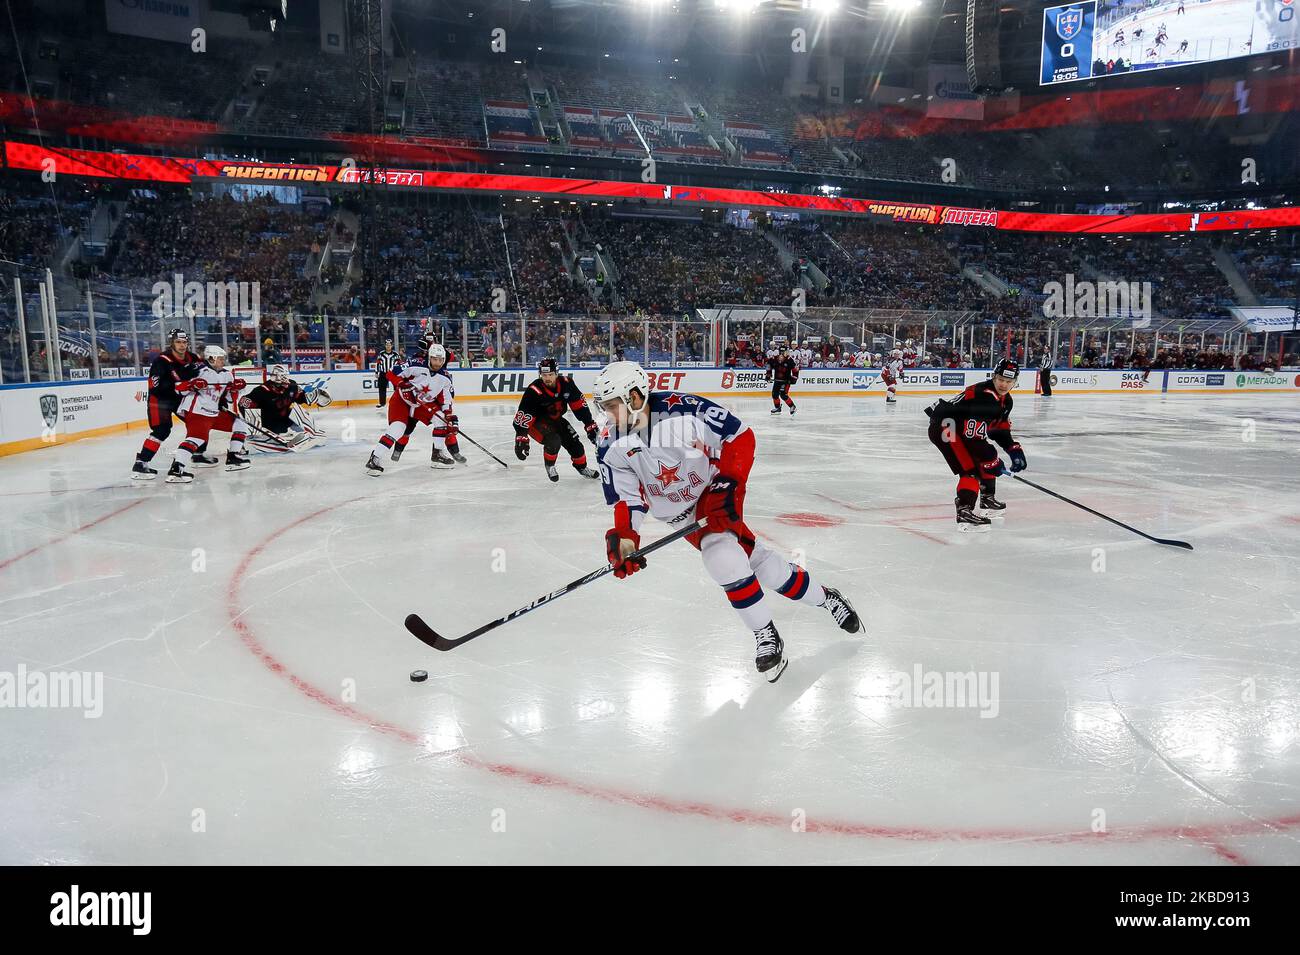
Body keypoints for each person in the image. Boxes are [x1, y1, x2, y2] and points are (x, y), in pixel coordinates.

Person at [593, 361, 861, 682]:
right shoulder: (610, 443)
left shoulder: (683, 410)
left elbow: (740, 436)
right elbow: (627, 499)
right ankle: (827, 598)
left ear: (635, 397)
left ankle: (766, 634)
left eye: (612, 407)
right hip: (682, 516)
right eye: (604, 408)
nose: (607, 415)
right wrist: (625, 538)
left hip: (716, 492)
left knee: (722, 556)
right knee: (762, 565)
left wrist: (729, 484)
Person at [924, 358, 1027, 527]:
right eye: (1000, 380)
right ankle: (964, 510)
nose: (1003, 384)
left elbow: (998, 429)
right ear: (994, 377)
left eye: (1008, 381)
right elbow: (973, 439)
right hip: (945, 427)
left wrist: (1013, 449)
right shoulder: (984, 397)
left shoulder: (1006, 401)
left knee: (985, 460)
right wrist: (993, 459)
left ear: (1015, 382)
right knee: (971, 469)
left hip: (960, 429)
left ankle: (987, 499)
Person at [365, 341, 463, 475]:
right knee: (398, 428)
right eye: (435, 359)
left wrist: (449, 417)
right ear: (429, 357)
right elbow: (390, 373)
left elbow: (446, 400)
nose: (437, 363)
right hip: (401, 401)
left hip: (420, 405)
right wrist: (400, 383)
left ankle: (437, 454)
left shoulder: (445, 378)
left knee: (441, 421)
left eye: (440, 360)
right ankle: (375, 459)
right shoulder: (415, 364)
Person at [131, 329, 214, 480]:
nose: (182, 345)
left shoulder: (193, 357)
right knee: (162, 430)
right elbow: (154, 387)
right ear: (171, 343)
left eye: (184, 342)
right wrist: (179, 386)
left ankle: (198, 454)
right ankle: (141, 463)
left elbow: (208, 374)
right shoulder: (161, 361)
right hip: (160, 400)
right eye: (178, 342)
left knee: (199, 420)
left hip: (181, 398)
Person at [165, 345, 251, 483]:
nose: (223, 361)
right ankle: (176, 470)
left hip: (213, 413)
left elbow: (229, 398)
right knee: (197, 438)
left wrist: (236, 389)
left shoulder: (227, 374)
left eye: (224, 358)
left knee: (240, 424)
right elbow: (178, 388)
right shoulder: (197, 370)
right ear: (211, 358)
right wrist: (192, 385)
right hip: (197, 412)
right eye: (220, 358)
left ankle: (233, 457)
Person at [512, 358, 599, 483]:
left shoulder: (567, 383)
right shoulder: (534, 390)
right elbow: (524, 415)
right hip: (537, 424)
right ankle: (550, 466)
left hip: (557, 420)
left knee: (576, 445)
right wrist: (521, 436)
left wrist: (589, 424)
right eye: (544, 375)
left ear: (556, 373)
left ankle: (582, 467)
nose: (547, 378)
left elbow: (579, 405)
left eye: (550, 374)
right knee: (554, 441)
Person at [238, 365, 321, 451]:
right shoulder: (261, 391)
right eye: (283, 376)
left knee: (296, 409)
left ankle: (312, 432)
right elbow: (243, 404)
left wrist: (313, 397)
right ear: (277, 378)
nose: (286, 379)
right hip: (269, 423)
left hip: (285, 420)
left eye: (286, 376)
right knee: (260, 433)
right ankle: (252, 441)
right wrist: (252, 421)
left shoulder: (292, 386)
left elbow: (301, 398)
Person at [765, 344, 798, 416]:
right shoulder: (774, 359)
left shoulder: (789, 360)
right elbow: (768, 365)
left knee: (783, 394)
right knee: (775, 395)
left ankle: (792, 406)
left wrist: (794, 378)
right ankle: (778, 408)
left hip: (786, 381)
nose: (784, 353)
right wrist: (768, 374)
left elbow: (795, 370)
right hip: (777, 380)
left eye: (785, 352)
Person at [374, 339, 399, 408]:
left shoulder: (395, 354)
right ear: (385, 345)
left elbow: (399, 364)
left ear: (392, 346)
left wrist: (398, 373)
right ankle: (382, 403)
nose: (388, 346)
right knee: (382, 388)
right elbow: (378, 363)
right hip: (383, 373)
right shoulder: (381, 354)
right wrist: (376, 372)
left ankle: (397, 401)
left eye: (389, 345)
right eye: (387, 345)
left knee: (397, 388)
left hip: (393, 373)